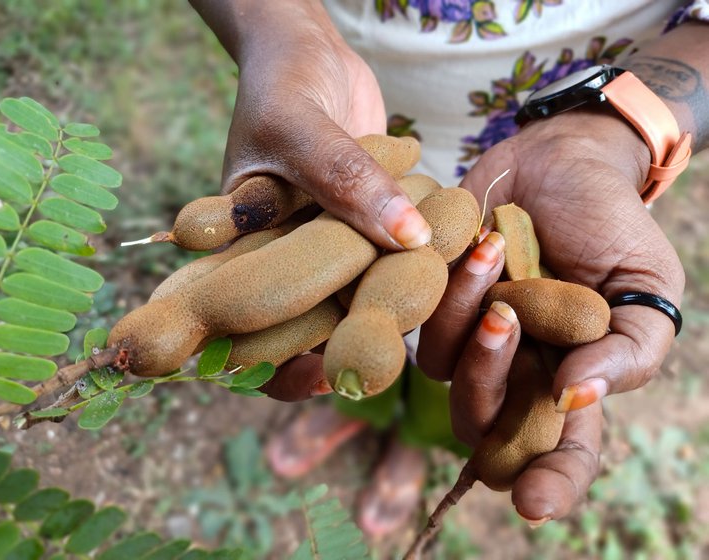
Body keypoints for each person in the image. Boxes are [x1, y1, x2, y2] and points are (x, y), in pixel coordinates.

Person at [188, 0, 709, 538]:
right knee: (352, 329)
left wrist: (616, 130)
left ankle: (412, 442)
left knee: (463, 349)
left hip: (579, 149)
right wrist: (283, 30)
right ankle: (357, 409)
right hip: (351, 115)